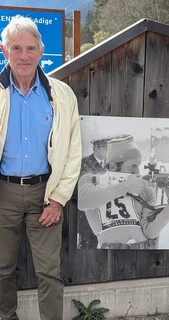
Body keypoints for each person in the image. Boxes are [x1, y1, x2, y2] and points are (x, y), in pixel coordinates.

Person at [0, 16, 82, 320]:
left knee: (49, 272)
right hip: (3, 192)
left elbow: (73, 151)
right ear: (4, 50)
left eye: (31, 48)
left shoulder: (60, 95)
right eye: (16, 48)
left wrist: (59, 198)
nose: (24, 55)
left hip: (45, 194)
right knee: (1, 269)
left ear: (41, 50)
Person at [78, 134, 169, 249]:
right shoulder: (91, 181)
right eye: (132, 166)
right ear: (113, 166)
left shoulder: (145, 190)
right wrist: (125, 187)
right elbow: (82, 201)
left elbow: (149, 232)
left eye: (138, 166)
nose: (137, 171)